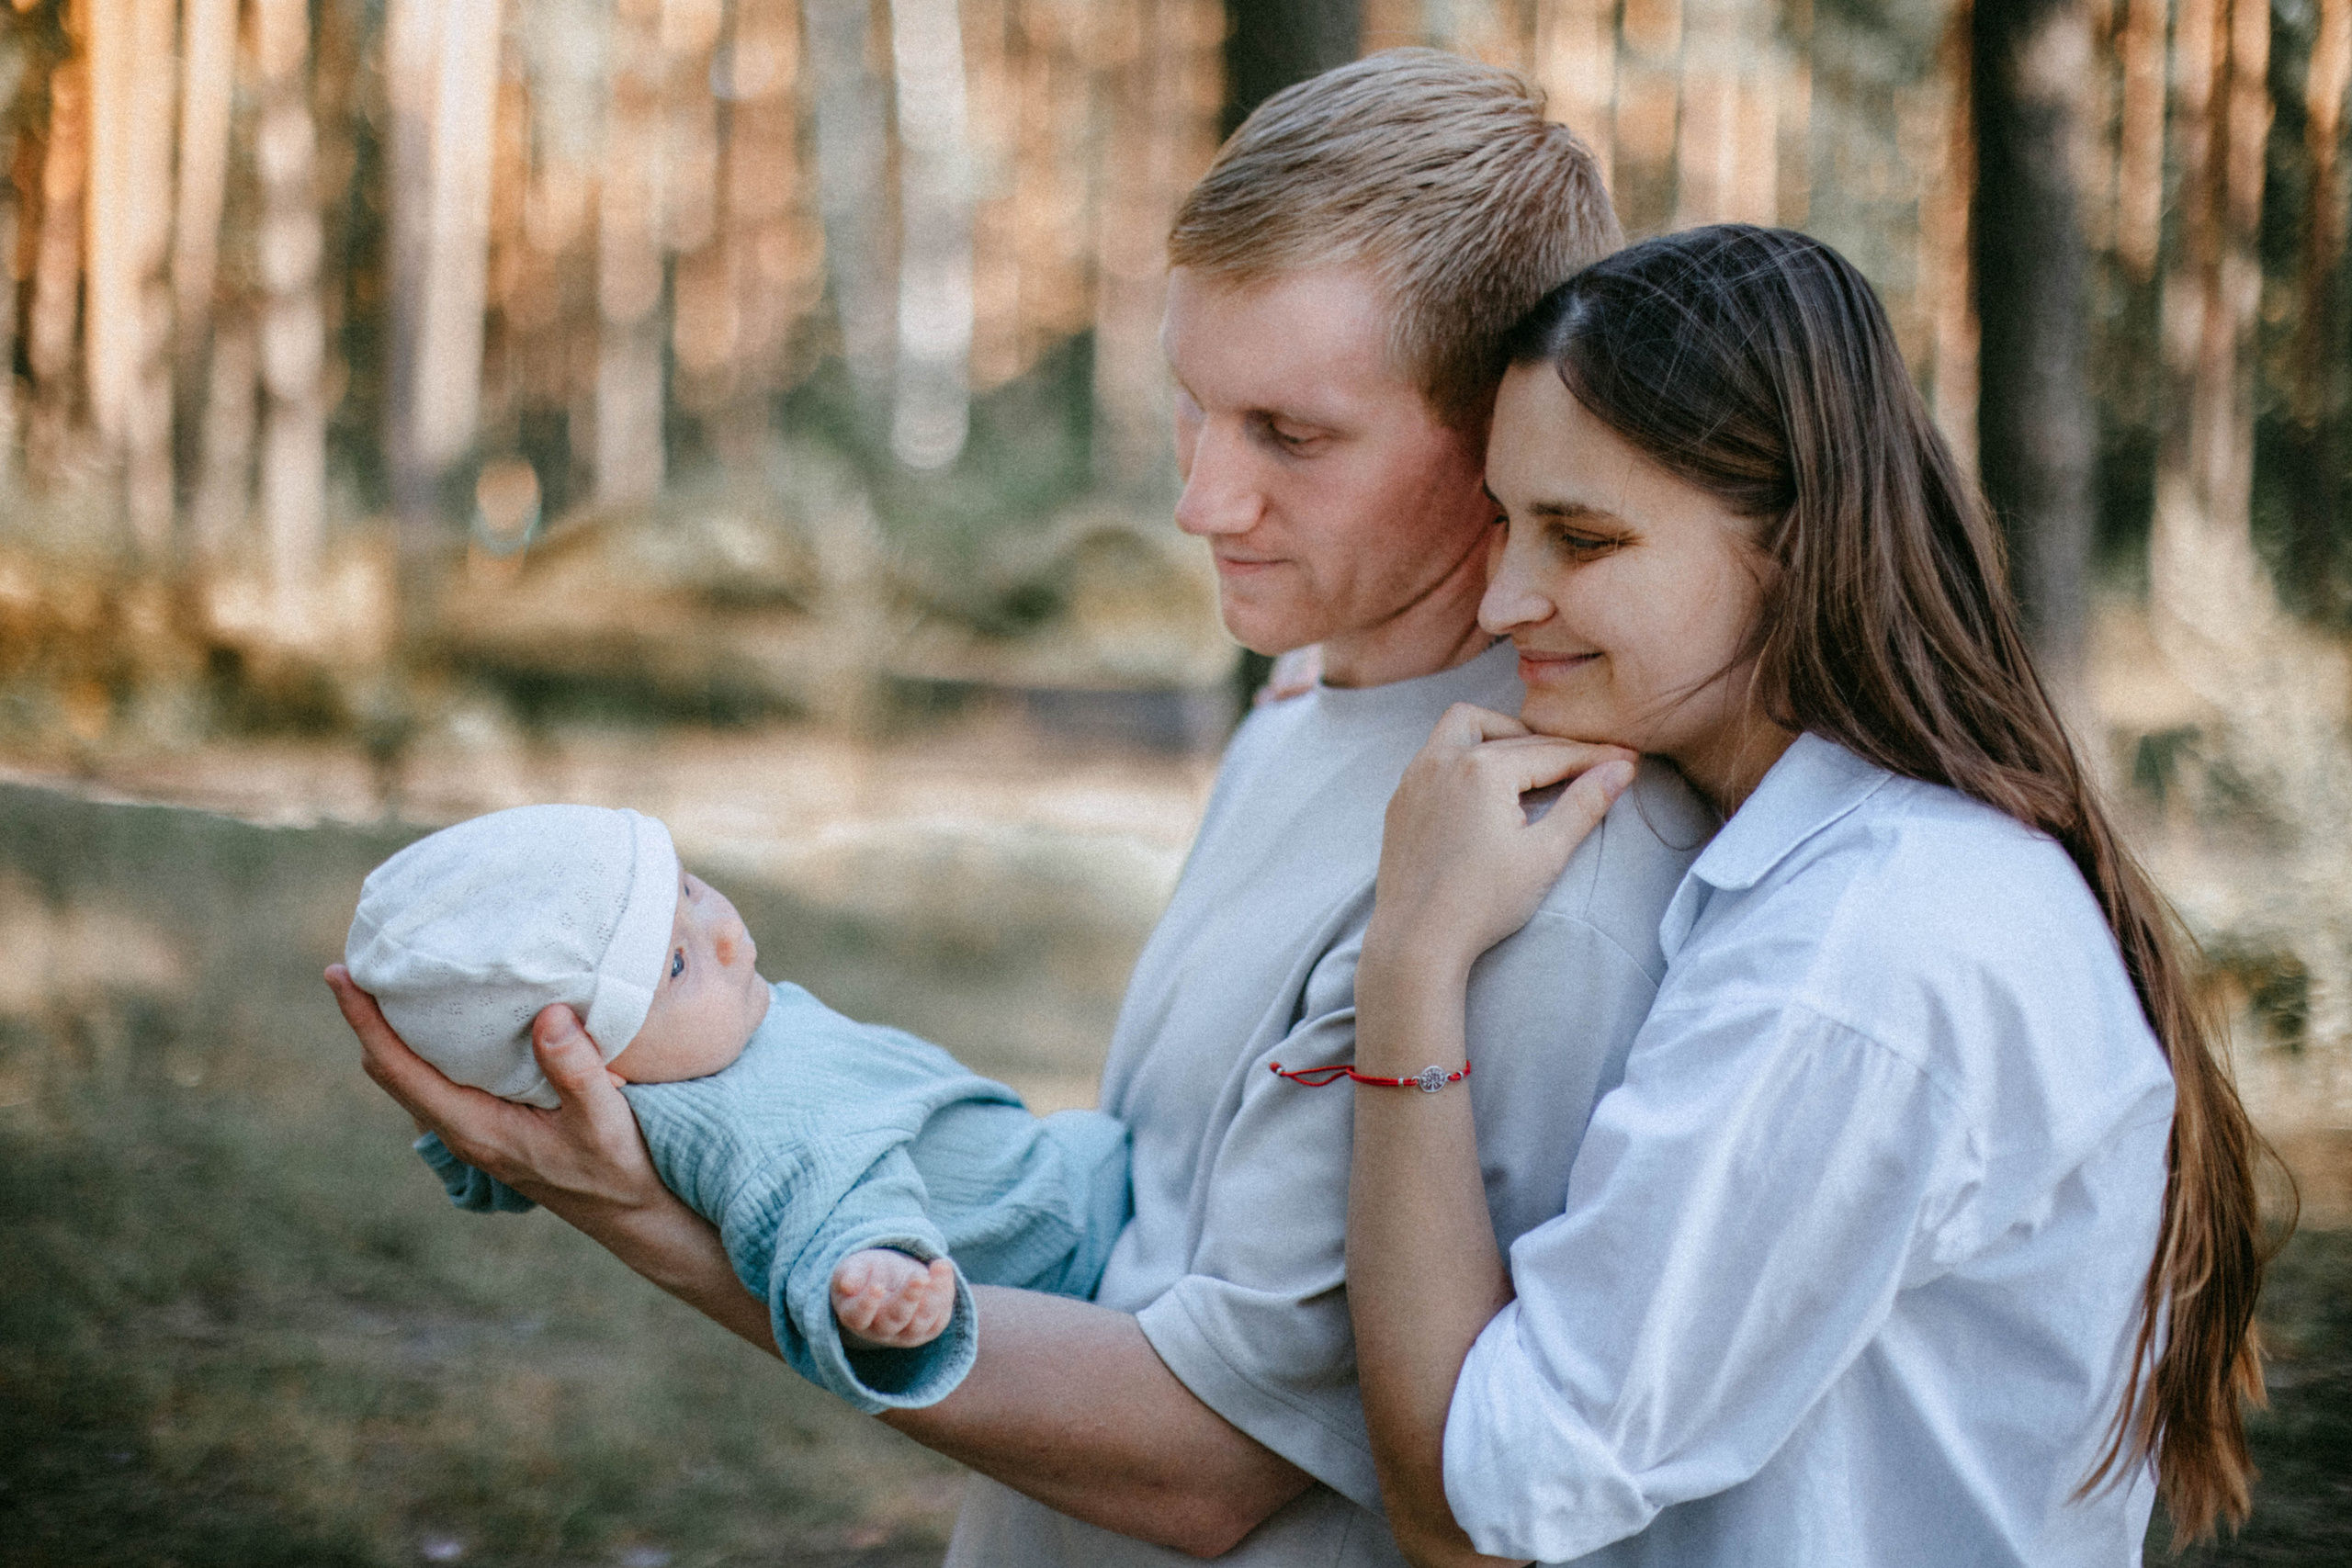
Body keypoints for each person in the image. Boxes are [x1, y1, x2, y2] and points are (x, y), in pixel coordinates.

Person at [329, 51, 1706, 1563]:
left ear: (1504, 437)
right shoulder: (1310, 702)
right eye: (1194, 407)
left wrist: (656, 1219)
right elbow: (1135, 1218)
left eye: (1291, 438)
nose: (1201, 501)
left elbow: (1216, 1459)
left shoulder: (1538, 871)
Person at [1344, 225, 2273, 1566]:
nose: (1503, 598)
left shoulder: (1864, 959)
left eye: (1584, 537)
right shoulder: (1853, 871)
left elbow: (1473, 1501)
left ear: (1798, 543)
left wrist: (1410, 966)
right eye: (1506, 522)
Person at [344, 803, 1129, 1413]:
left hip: (1070, 1168)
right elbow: (826, 1200)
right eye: (677, 964)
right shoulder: (736, 1119)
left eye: (688, 889)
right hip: (1083, 1240)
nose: (722, 934)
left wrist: (452, 1125)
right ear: (590, 1066)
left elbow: (507, 1169)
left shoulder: (700, 1052)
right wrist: (873, 1279)